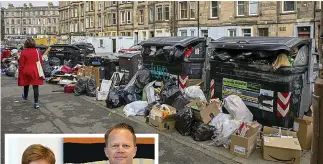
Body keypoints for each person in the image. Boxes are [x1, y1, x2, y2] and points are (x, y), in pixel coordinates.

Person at [18, 38, 44, 109]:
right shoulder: (37, 52)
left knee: (26, 85)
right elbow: (40, 62)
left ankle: (25, 96)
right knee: (35, 87)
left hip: (26, 71)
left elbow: (21, 64)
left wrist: (20, 72)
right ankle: (36, 103)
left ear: (26, 44)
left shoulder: (23, 52)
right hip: (35, 71)